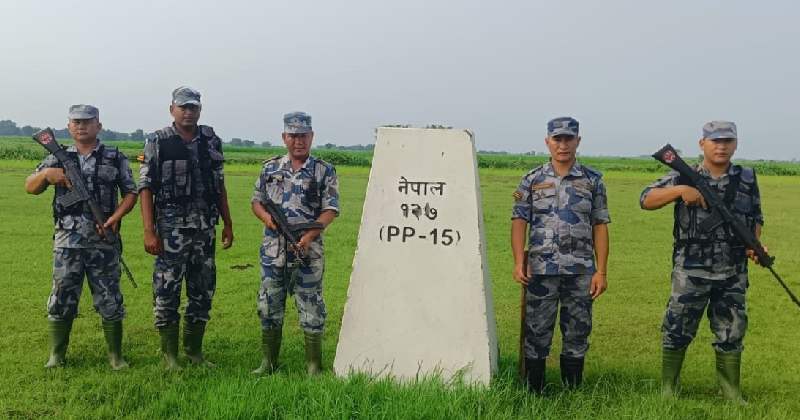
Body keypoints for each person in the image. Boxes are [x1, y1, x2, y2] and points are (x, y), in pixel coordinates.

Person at [640, 121, 763, 403]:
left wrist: (754, 245)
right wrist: (680, 191)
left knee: (732, 329)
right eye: (715, 141)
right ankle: (669, 389)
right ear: (702, 144)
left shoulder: (746, 177)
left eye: (727, 141)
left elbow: (756, 217)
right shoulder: (685, 175)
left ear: (735, 144)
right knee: (677, 327)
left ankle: (731, 391)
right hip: (690, 269)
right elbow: (645, 199)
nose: (721, 146)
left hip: (733, 270)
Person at [25, 104, 138, 370]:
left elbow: (131, 193)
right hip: (68, 242)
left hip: (103, 239)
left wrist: (115, 218)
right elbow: (30, 187)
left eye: (87, 121)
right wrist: (46, 175)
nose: (81, 126)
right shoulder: (57, 157)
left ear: (99, 125)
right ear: (68, 127)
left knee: (110, 298)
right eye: (76, 122)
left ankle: (115, 357)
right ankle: (57, 356)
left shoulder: (114, 156)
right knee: (62, 296)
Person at [511, 116, 610, 393]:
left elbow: (600, 225)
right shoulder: (532, 179)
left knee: (578, 331)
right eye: (557, 139)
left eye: (569, 139)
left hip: (580, 271)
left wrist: (601, 271)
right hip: (541, 270)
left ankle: (572, 391)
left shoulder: (592, 180)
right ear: (548, 142)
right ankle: (534, 391)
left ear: (578, 141)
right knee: (537, 330)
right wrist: (519, 262)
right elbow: (519, 221)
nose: (563, 145)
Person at [138, 86, 234, 369]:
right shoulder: (157, 140)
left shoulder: (211, 140)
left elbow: (219, 185)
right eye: (183, 107)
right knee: (167, 291)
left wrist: (228, 223)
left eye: (193, 107)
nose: (188, 112)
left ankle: (194, 352)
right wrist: (148, 230)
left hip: (205, 230)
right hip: (171, 231)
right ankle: (170, 356)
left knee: (202, 290)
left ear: (200, 110)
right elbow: (146, 187)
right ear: (172, 110)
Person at [250, 111, 339, 375]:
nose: (298, 141)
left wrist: (308, 237)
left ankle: (314, 366)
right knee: (269, 304)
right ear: (284, 137)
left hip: (308, 251)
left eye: (303, 135)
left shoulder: (324, 170)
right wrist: (267, 219)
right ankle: (268, 363)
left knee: (311, 305)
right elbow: (256, 201)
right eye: (293, 135)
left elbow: (331, 209)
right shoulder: (270, 168)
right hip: (274, 250)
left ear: (311, 137)